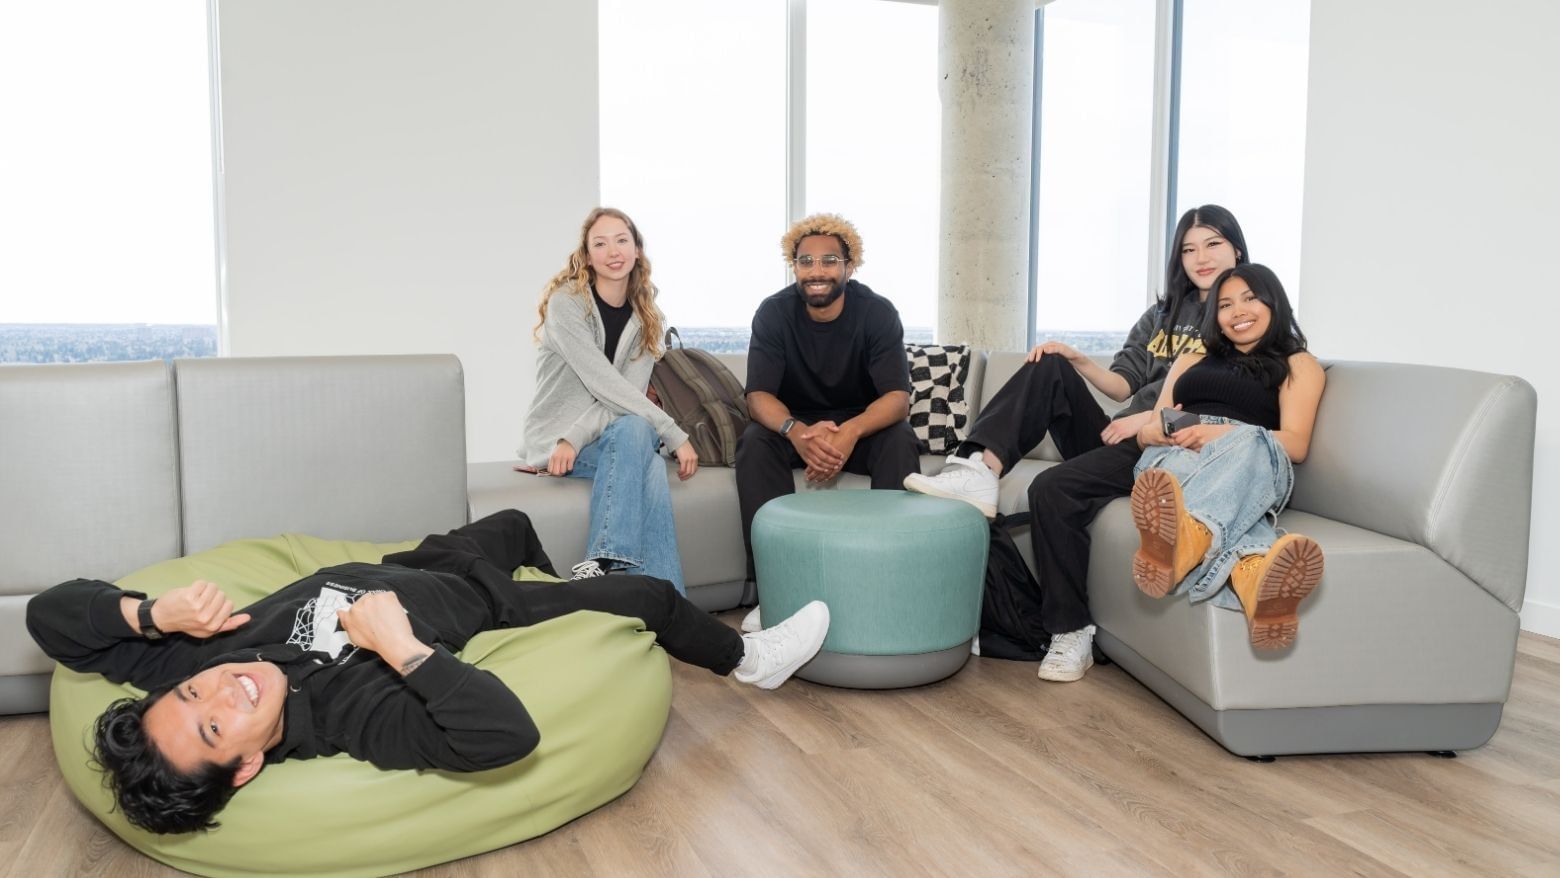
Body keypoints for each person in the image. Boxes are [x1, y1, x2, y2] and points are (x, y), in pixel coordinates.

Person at [25, 510, 831, 836]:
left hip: (425, 561)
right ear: (242, 767)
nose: (218, 689)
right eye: (212, 724)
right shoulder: (353, 718)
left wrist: (150, 616)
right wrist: (403, 649)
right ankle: (749, 661)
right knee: (652, 595)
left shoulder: (203, 654)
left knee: (514, 521)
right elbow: (505, 737)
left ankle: (565, 582)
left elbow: (49, 616)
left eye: (190, 692)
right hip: (487, 609)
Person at [904, 205, 1249, 681]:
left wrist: (1148, 422)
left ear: (1235, 246)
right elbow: (1121, 386)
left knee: (1051, 486)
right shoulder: (1163, 313)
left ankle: (1071, 631)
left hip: (1166, 446)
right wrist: (1075, 357)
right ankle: (979, 468)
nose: (1201, 258)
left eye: (1212, 244)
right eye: (1189, 249)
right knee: (1048, 364)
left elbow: (1230, 397)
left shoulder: (1244, 313)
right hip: (1122, 435)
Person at [1129, 263, 1325, 649]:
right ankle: (1254, 579)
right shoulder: (1190, 360)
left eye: (1250, 299)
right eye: (1225, 305)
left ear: (1275, 304)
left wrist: (1226, 432)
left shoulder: (1297, 364)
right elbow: (1154, 426)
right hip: (1179, 452)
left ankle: (1188, 538)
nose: (1238, 313)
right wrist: (1151, 432)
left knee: (1251, 442)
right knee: (1232, 503)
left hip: (1251, 458)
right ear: (1214, 316)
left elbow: (1297, 444)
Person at [735, 213, 921, 590]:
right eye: (805, 262)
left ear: (850, 267)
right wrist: (796, 432)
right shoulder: (773, 313)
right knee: (754, 443)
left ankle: (891, 576)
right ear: (794, 267)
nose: (816, 271)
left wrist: (850, 432)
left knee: (900, 438)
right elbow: (758, 397)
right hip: (796, 424)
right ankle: (773, 585)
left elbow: (897, 399)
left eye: (829, 261)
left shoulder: (877, 312)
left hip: (862, 426)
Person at [520, 207, 698, 590]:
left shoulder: (647, 316)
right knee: (644, 451)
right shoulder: (567, 304)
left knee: (636, 433)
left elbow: (626, 397)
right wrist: (673, 433)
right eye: (600, 243)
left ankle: (613, 573)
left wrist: (583, 434)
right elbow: (602, 382)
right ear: (587, 255)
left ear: (637, 250)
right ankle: (630, 573)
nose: (612, 251)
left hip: (614, 433)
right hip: (558, 438)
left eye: (622, 240)